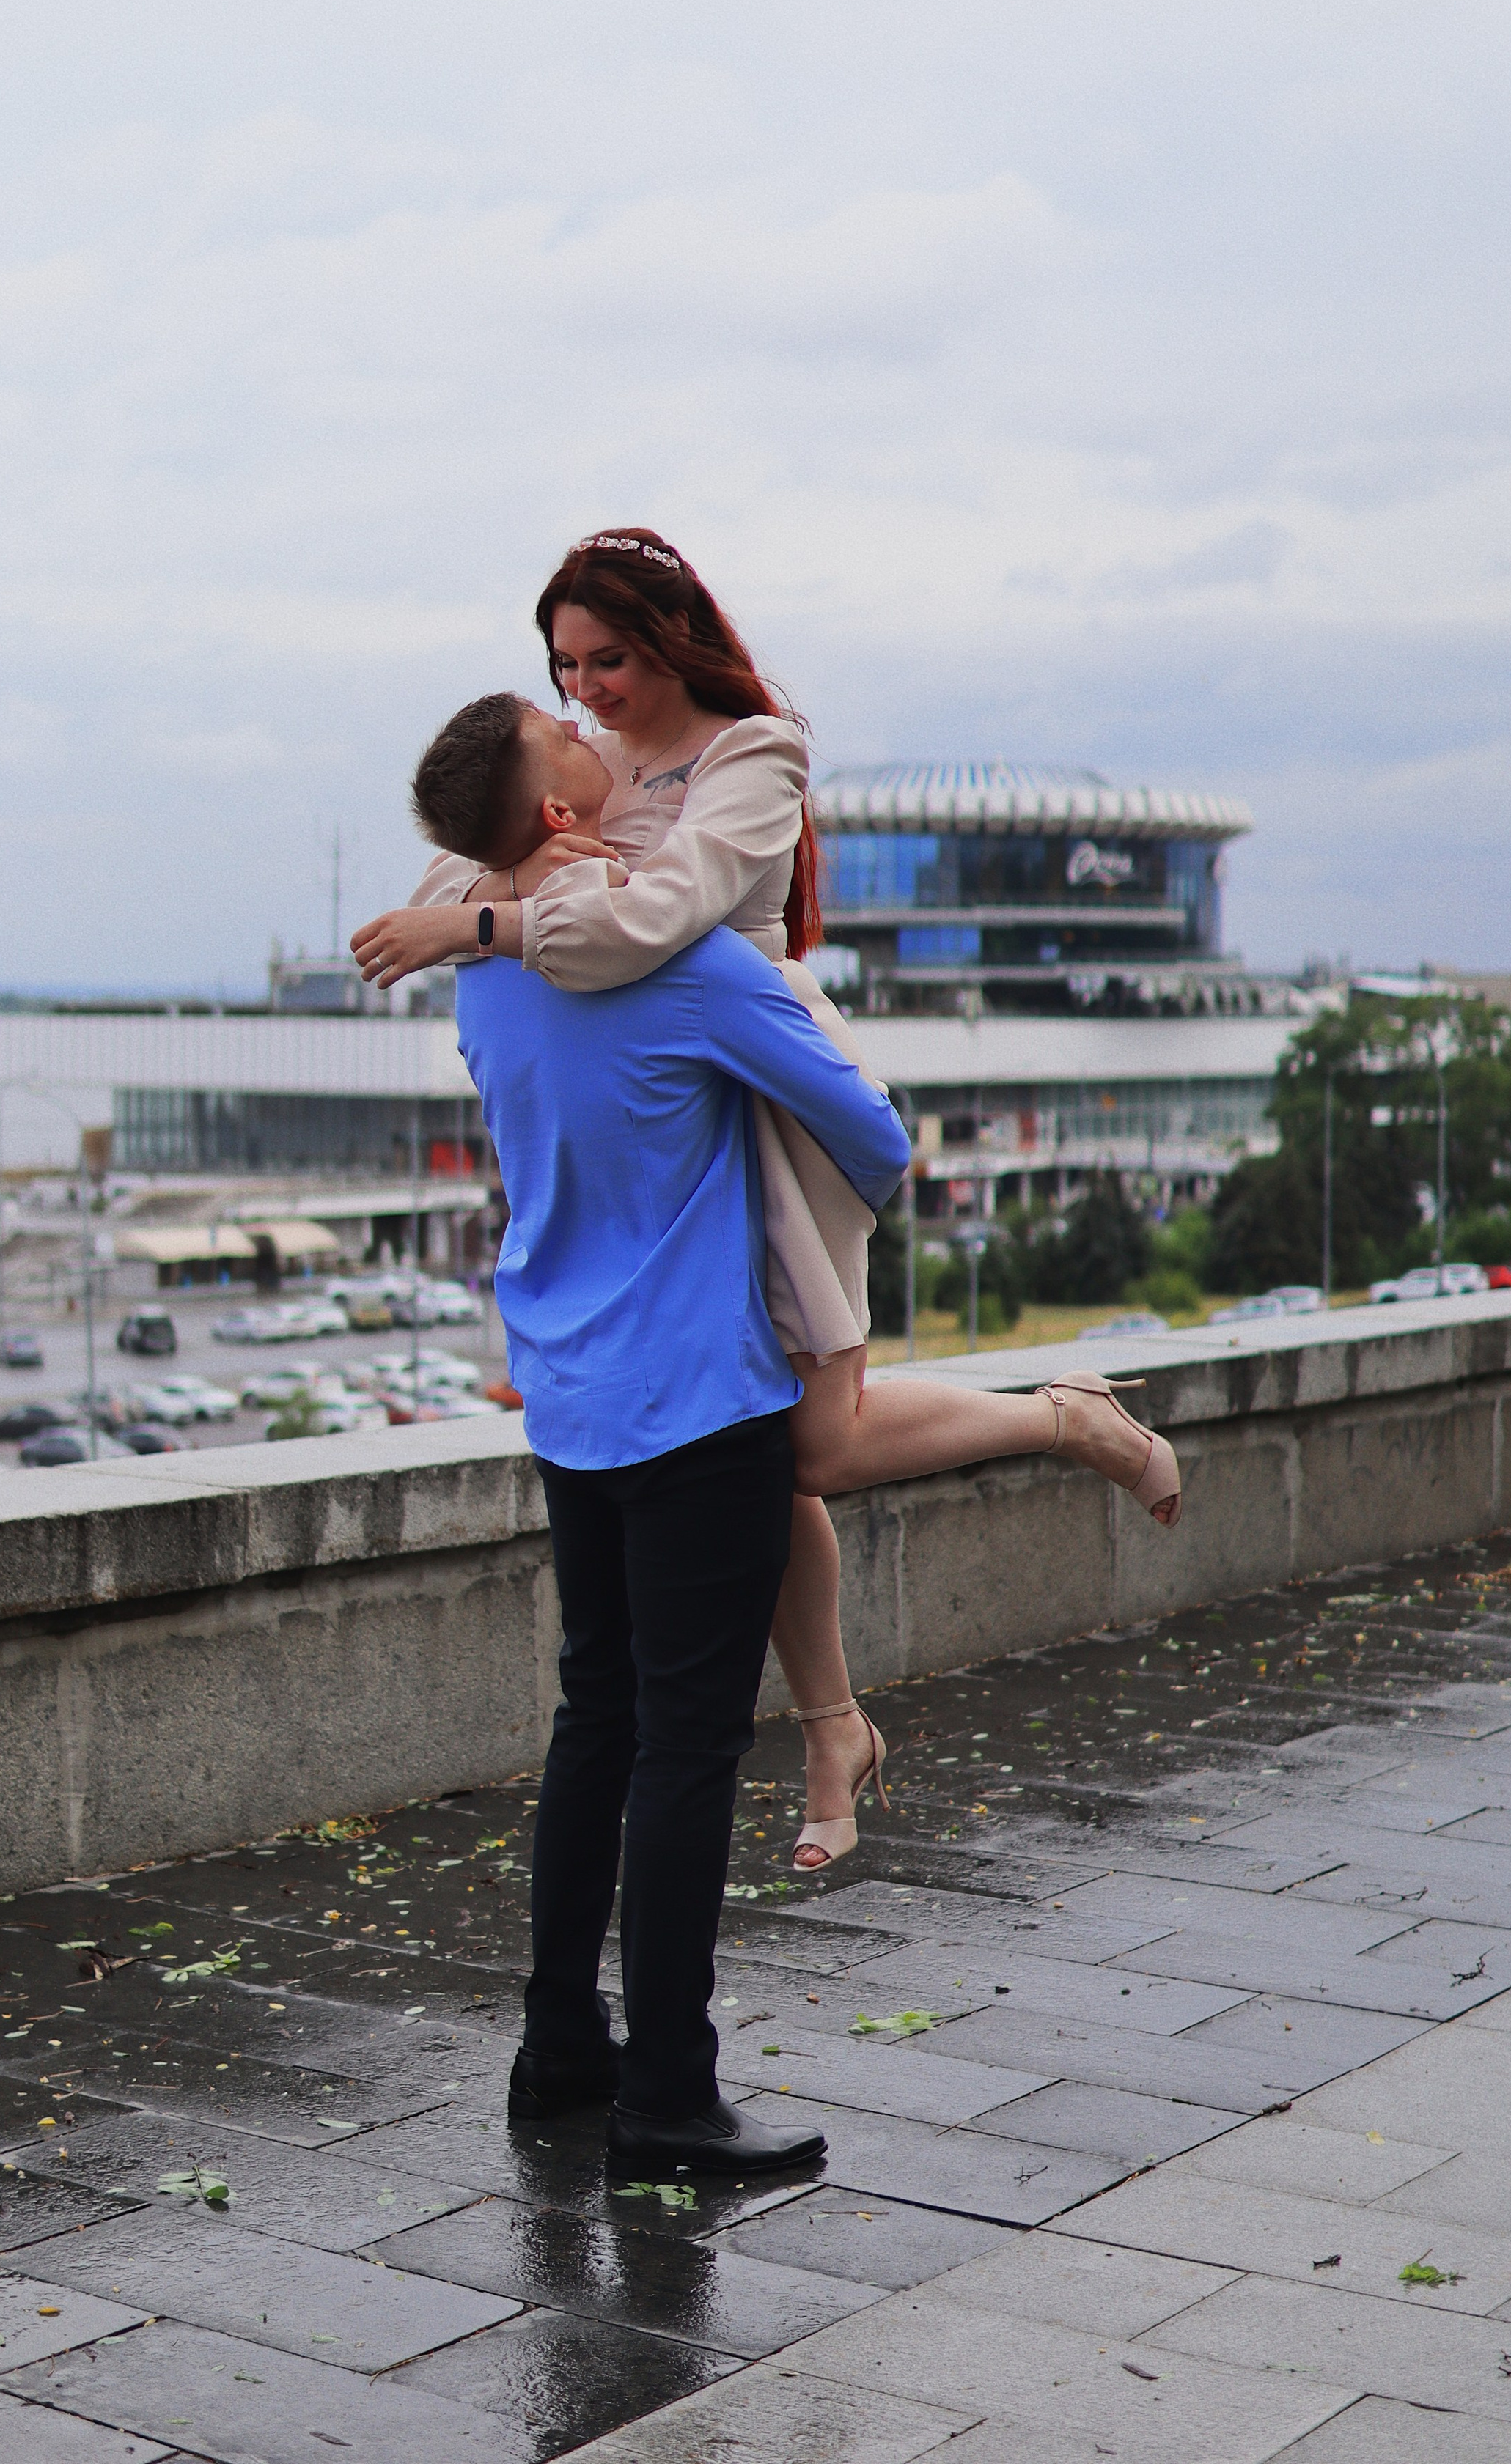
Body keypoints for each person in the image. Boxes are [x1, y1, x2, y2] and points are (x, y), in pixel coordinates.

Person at [353, 530, 1180, 1872]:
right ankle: (835, 1729)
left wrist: (489, 920)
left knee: (813, 1443)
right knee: (761, 1441)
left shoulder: (753, 753)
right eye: (564, 668)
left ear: (672, 633)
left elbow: (642, 923)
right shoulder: (584, 760)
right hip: (671, 1110)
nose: (589, 694)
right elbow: (464, 854)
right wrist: (489, 889)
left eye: (608, 660)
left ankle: (1061, 1422)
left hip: (760, 1092)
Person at [446, 795, 911, 2174]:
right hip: (702, 1399)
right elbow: (873, 1136)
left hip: (570, 1392)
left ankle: (560, 2054)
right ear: (554, 808)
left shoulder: (484, 975)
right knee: (688, 1750)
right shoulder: (696, 971)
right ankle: (669, 2096)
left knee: (596, 1716)